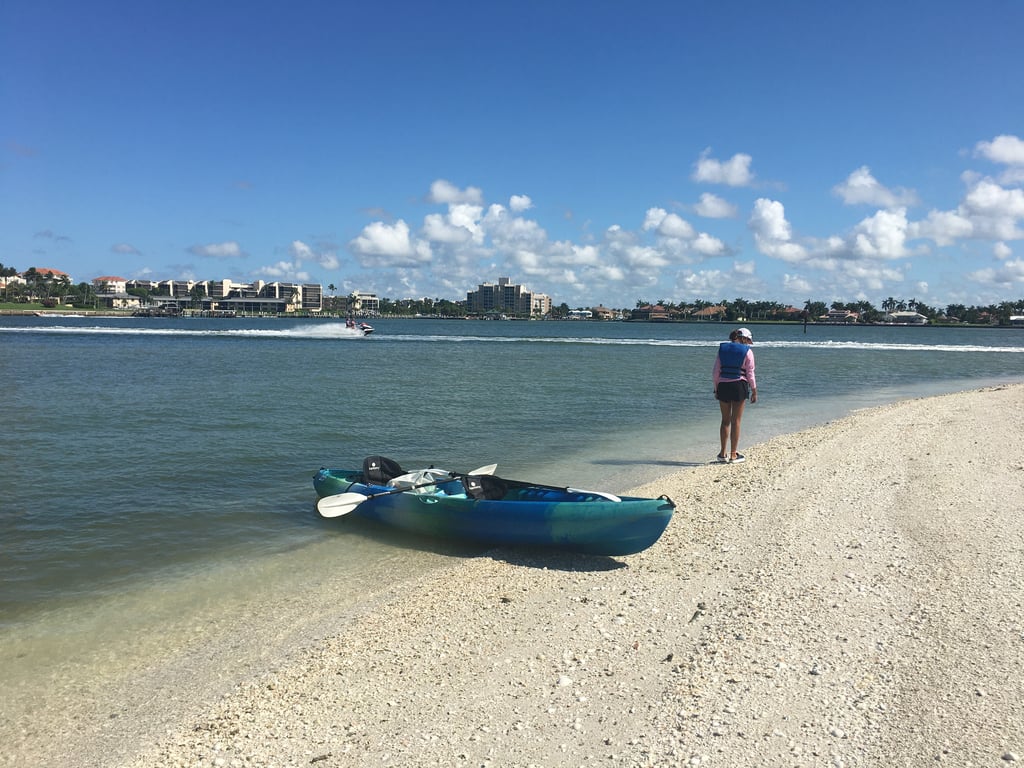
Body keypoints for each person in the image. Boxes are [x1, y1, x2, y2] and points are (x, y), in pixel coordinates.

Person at [713, 327, 757, 463]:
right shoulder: (748, 352)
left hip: (723, 386)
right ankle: (733, 454)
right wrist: (754, 390)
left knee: (725, 421)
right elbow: (750, 373)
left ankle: (722, 453)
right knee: (736, 421)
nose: (749, 343)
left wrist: (716, 388)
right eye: (748, 340)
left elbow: (716, 372)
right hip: (739, 385)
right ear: (743, 338)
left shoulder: (722, 350)